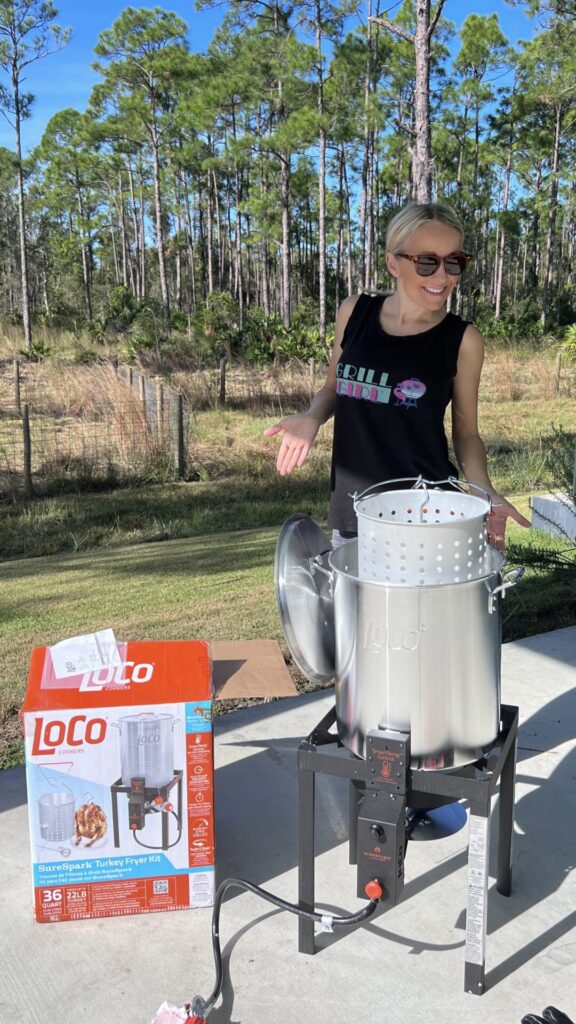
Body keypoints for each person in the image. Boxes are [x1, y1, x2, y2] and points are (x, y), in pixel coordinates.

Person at [263, 201, 530, 549]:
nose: (442, 276)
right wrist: (313, 417)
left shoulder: (463, 339)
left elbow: (466, 434)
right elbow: (333, 386)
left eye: (454, 262)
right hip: (354, 513)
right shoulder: (353, 312)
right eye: (427, 261)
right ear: (393, 262)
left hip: (430, 517)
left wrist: (486, 492)